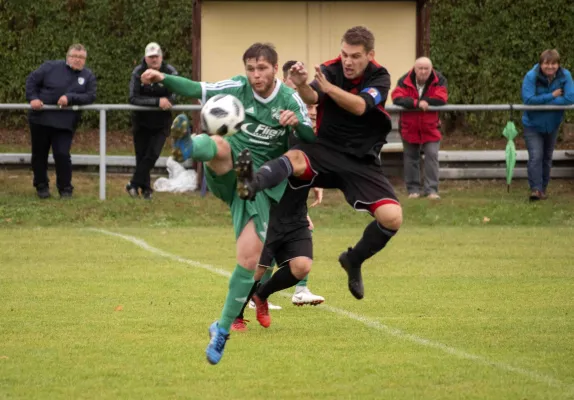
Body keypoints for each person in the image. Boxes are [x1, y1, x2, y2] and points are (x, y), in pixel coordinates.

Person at [140, 43, 316, 365]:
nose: (255, 75)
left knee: (249, 261)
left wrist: (295, 125)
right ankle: (188, 146)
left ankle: (221, 330)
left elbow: (311, 136)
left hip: (259, 185)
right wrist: (162, 77)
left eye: (262, 68)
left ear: (275, 69)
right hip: (233, 167)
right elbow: (197, 88)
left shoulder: (289, 99)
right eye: (250, 68)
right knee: (221, 143)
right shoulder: (238, 86)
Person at [236, 26, 402, 301]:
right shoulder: (330, 69)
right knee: (296, 157)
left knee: (392, 217)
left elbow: (360, 106)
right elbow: (313, 97)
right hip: (325, 148)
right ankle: (252, 183)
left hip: (361, 160)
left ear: (370, 55)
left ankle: (354, 260)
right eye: (344, 54)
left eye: (355, 56)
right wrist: (303, 84)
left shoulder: (380, 76)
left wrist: (329, 89)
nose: (348, 61)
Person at [25, 43, 97, 199]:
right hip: (40, 119)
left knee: (62, 154)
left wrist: (69, 98)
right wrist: (33, 98)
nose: (78, 60)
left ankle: (65, 189)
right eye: (75, 56)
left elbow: (90, 96)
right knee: (39, 154)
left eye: (81, 57)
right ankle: (41, 186)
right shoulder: (50, 67)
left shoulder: (88, 76)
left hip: (65, 123)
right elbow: (31, 81)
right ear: (68, 57)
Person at [391, 57, 448, 200]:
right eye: (420, 68)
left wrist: (426, 101)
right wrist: (416, 103)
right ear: (414, 69)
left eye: (426, 69)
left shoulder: (440, 79)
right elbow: (396, 97)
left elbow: (442, 98)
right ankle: (413, 190)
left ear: (431, 69)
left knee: (432, 156)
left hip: (431, 127)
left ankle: (432, 191)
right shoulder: (404, 80)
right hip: (409, 127)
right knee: (410, 159)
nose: (423, 71)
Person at [127, 42, 178, 200]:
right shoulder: (138, 72)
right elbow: (133, 98)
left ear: (161, 57)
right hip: (141, 122)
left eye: (156, 56)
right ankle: (146, 190)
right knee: (141, 156)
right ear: (145, 58)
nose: (154, 59)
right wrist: (157, 102)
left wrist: (165, 101)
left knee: (153, 154)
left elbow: (175, 95)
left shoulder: (170, 72)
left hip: (161, 122)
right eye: (151, 57)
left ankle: (133, 184)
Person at [521, 49, 574, 201]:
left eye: (554, 64)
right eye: (547, 64)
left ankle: (542, 189)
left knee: (547, 157)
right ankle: (536, 190)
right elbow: (529, 100)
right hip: (532, 124)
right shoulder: (531, 76)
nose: (550, 67)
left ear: (558, 65)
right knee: (536, 156)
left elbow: (570, 98)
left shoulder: (566, 76)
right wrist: (552, 96)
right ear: (541, 64)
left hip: (553, 124)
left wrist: (545, 101)